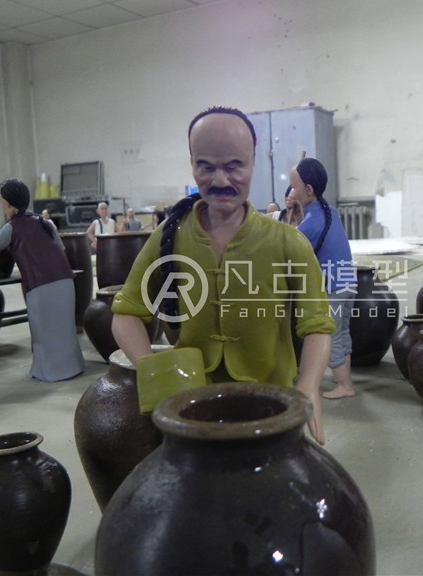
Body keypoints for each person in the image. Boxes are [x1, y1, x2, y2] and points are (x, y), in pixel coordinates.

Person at [111, 106, 335, 444]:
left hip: (271, 403)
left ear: (253, 162)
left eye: (234, 166)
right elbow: (126, 312)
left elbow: (317, 324)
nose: (219, 181)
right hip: (194, 405)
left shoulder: (287, 242)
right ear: (192, 163)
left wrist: (308, 386)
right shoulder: (170, 235)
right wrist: (151, 368)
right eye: (206, 166)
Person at [0, 179, 85, 382]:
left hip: (41, 286)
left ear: (8, 203)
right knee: (64, 330)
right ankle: (72, 366)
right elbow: (60, 248)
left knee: (43, 332)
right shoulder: (45, 223)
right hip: (64, 282)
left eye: (2, 203)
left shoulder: (13, 227)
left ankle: (49, 372)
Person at [290, 157, 357, 400]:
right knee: (343, 333)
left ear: (308, 190)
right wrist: (297, 210)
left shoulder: (313, 222)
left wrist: (287, 214)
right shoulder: (331, 212)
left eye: (294, 187)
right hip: (349, 283)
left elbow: (289, 243)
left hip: (334, 288)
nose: (291, 191)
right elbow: (304, 232)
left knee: (331, 335)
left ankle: (345, 386)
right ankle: (345, 379)